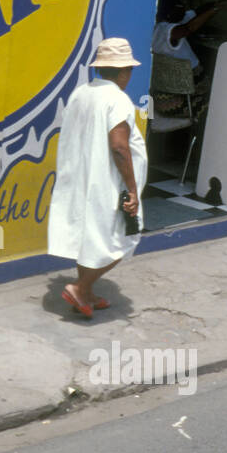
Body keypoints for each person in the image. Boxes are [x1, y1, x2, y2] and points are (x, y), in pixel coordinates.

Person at [48, 37, 148, 319]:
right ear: (125, 70)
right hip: (107, 183)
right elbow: (119, 146)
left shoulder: (82, 93)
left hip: (81, 179)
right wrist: (131, 188)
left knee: (89, 238)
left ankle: (87, 293)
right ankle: (81, 287)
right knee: (125, 239)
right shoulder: (117, 99)